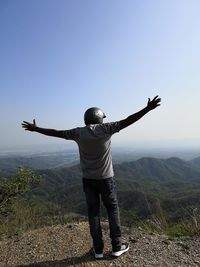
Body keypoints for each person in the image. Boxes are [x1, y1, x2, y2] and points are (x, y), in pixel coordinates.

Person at [21, 95, 161, 259]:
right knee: (112, 209)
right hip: (106, 179)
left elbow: (56, 133)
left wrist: (36, 129)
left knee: (93, 213)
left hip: (88, 180)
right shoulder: (106, 129)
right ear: (100, 118)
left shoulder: (78, 133)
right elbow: (128, 120)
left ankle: (98, 250)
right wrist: (147, 109)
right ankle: (117, 246)